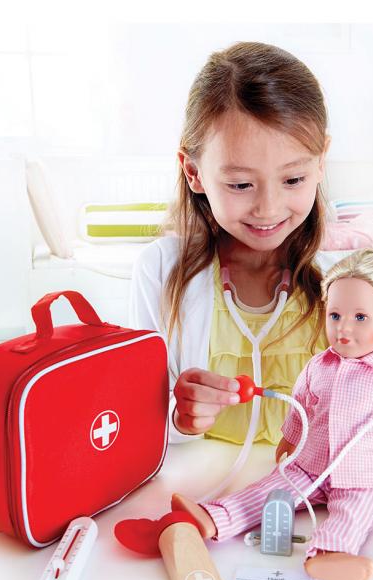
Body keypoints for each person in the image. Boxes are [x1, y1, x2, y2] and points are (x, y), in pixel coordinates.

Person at [171, 249, 373, 580]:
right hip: (309, 465)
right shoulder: (319, 366)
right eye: (335, 315)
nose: (343, 328)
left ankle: (330, 554)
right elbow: (301, 406)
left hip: (364, 476)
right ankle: (213, 518)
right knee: (269, 492)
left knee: (354, 514)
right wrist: (289, 439)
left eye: (360, 317)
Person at [129, 41, 338, 445]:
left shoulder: (346, 282)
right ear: (194, 172)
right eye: (241, 184)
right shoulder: (159, 271)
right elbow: (138, 416)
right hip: (206, 478)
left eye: (293, 179)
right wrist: (180, 418)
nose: (268, 208)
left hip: (309, 480)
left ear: (321, 161)